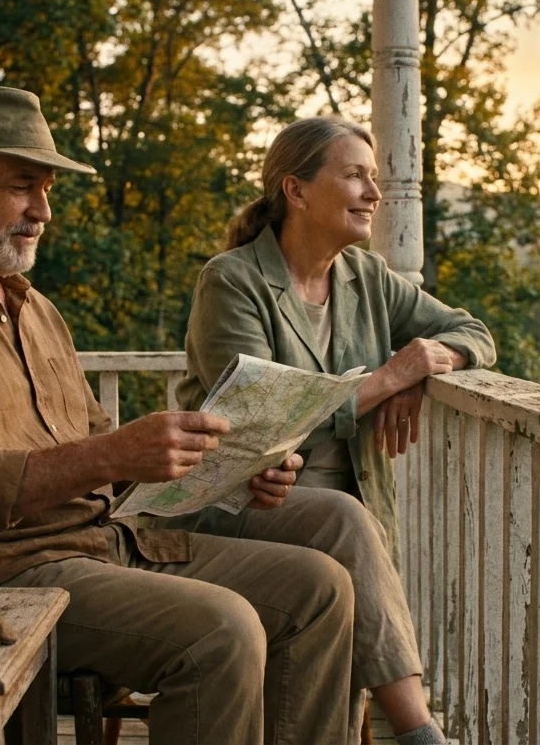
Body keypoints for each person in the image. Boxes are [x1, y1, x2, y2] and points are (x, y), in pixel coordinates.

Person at [0, 87, 433, 744]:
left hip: (108, 542)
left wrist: (229, 474)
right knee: (222, 630)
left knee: (319, 588)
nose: (43, 212)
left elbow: (96, 455)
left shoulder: (32, 308)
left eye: (48, 189)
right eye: (24, 187)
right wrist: (115, 455)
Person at [164, 116, 498, 739]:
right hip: (236, 499)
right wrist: (388, 380)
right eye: (354, 176)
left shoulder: (365, 277)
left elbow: (473, 332)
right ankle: (420, 735)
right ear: (295, 190)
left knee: (347, 524)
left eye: (374, 177)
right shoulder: (232, 280)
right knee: (343, 521)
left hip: (348, 508)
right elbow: (258, 420)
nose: (374, 193)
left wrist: (428, 363)